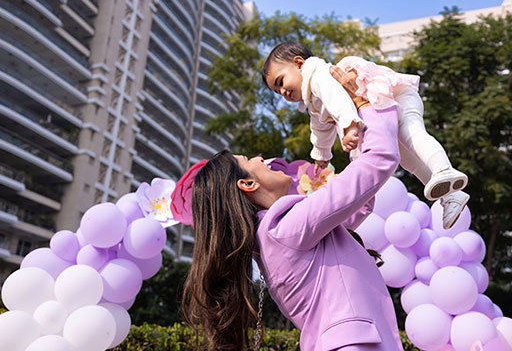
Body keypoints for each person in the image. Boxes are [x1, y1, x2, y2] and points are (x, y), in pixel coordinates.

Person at [175, 66, 404, 350]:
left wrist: (354, 132)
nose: (261, 158)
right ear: (247, 183)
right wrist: (369, 105)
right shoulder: (284, 228)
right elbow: (379, 160)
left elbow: (360, 202)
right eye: (250, 160)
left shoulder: (278, 234)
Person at [261, 42, 469, 229]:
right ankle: (451, 195)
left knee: (411, 132)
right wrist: (321, 155)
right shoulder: (313, 102)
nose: (282, 92)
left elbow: (338, 100)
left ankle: (444, 169)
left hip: (396, 97)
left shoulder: (319, 75)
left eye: (280, 82)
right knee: (409, 161)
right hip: (383, 112)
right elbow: (320, 128)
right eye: (277, 92)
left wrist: (350, 126)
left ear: (299, 64)